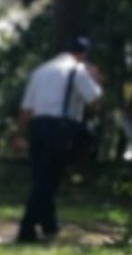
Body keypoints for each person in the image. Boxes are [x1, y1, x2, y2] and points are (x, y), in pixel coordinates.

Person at [14, 36, 102, 244]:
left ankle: (49, 225)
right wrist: (95, 79)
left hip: (37, 126)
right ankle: (26, 229)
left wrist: (19, 134)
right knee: (48, 179)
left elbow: (26, 109)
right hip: (59, 128)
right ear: (82, 55)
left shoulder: (41, 71)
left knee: (41, 177)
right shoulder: (77, 70)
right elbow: (95, 100)